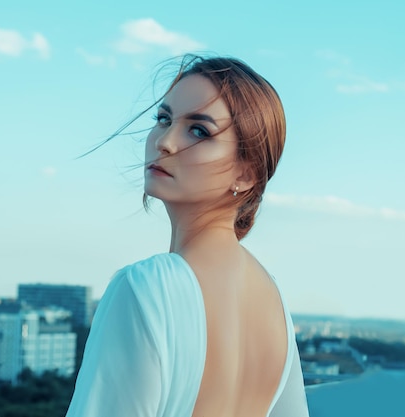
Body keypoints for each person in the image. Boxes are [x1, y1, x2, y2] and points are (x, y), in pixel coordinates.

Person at [66, 55, 310, 417]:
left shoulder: (145, 288)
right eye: (163, 119)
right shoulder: (274, 301)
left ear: (246, 174)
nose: (164, 142)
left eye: (199, 131)